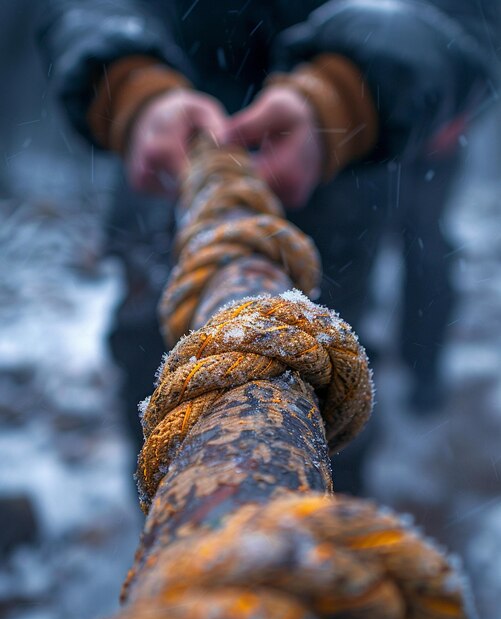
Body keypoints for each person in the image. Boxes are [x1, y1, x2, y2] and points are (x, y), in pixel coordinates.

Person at [38, 0, 499, 491]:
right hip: (168, 164)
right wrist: (132, 83)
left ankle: (318, 530)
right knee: (151, 359)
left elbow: (464, 19)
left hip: (344, 163)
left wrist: (345, 93)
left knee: (321, 367)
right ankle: (174, 524)